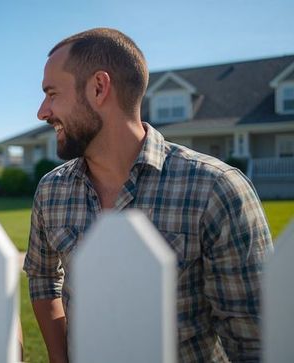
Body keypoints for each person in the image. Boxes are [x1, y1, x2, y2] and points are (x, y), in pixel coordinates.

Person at [23, 28, 273, 362]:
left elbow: (254, 341)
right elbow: (42, 276)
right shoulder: (51, 190)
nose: (42, 111)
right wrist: (59, 357)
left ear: (99, 88)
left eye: (52, 93)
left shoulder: (216, 189)